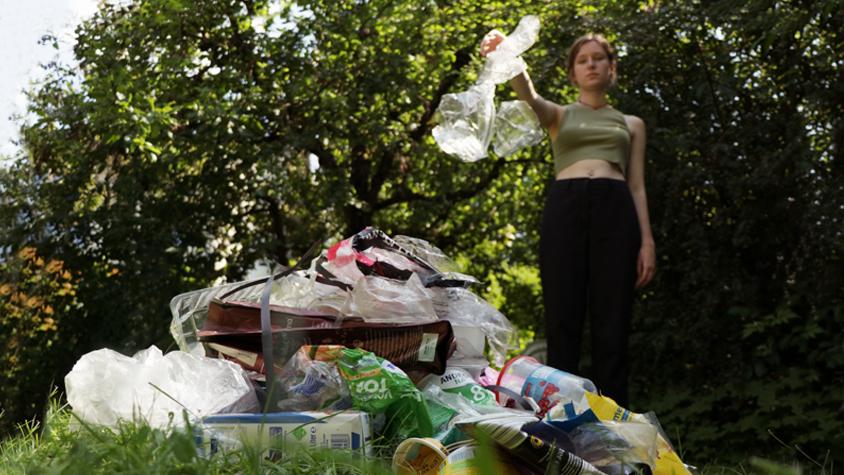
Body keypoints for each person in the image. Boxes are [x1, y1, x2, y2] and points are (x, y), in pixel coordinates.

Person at [480, 32, 656, 406]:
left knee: (613, 320)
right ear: (573, 73)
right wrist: (507, 53)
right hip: (566, 208)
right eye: (582, 60)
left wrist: (647, 242)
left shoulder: (632, 124)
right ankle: (561, 419)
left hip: (616, 210)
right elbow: (528, 93)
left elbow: (637, 185)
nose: (591, 64)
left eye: (598, 58)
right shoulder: (559, 115)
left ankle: (615, 422)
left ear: (612, 68)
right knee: (563, 315)